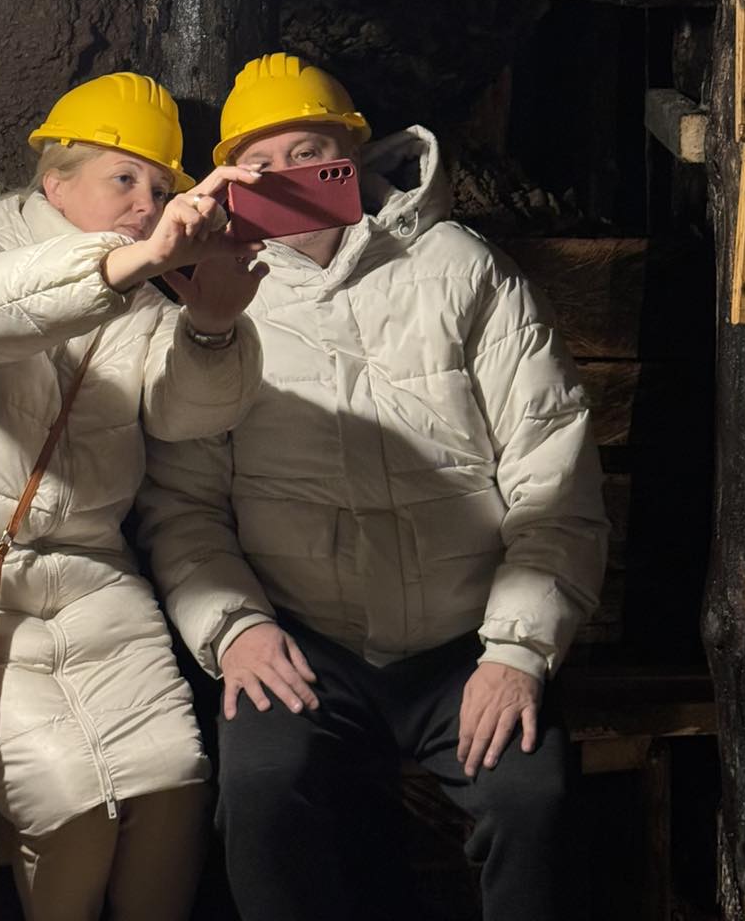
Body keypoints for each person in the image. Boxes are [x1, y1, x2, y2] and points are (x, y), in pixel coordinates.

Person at [139, 53, 610, 921]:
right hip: (305, 642)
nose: (288, 178)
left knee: (531, 800)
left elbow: (554, 475)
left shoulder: (464, 270)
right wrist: (237, 629)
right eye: (261, 164)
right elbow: (184, 505)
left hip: (465, 638)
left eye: (310, 153)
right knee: (262, 795)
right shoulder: (217, 302)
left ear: (353, 157)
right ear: (231, 181)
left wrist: (516, 652)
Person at [0, 72, 268, 921]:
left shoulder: (142, 303)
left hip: (90, 582)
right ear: (55, 182)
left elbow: (188, 415)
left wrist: (214, 324)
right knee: (75, 809)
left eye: (161, 189)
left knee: (176, 788)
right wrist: (137, 260)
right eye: (125, 178)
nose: (146, 203)